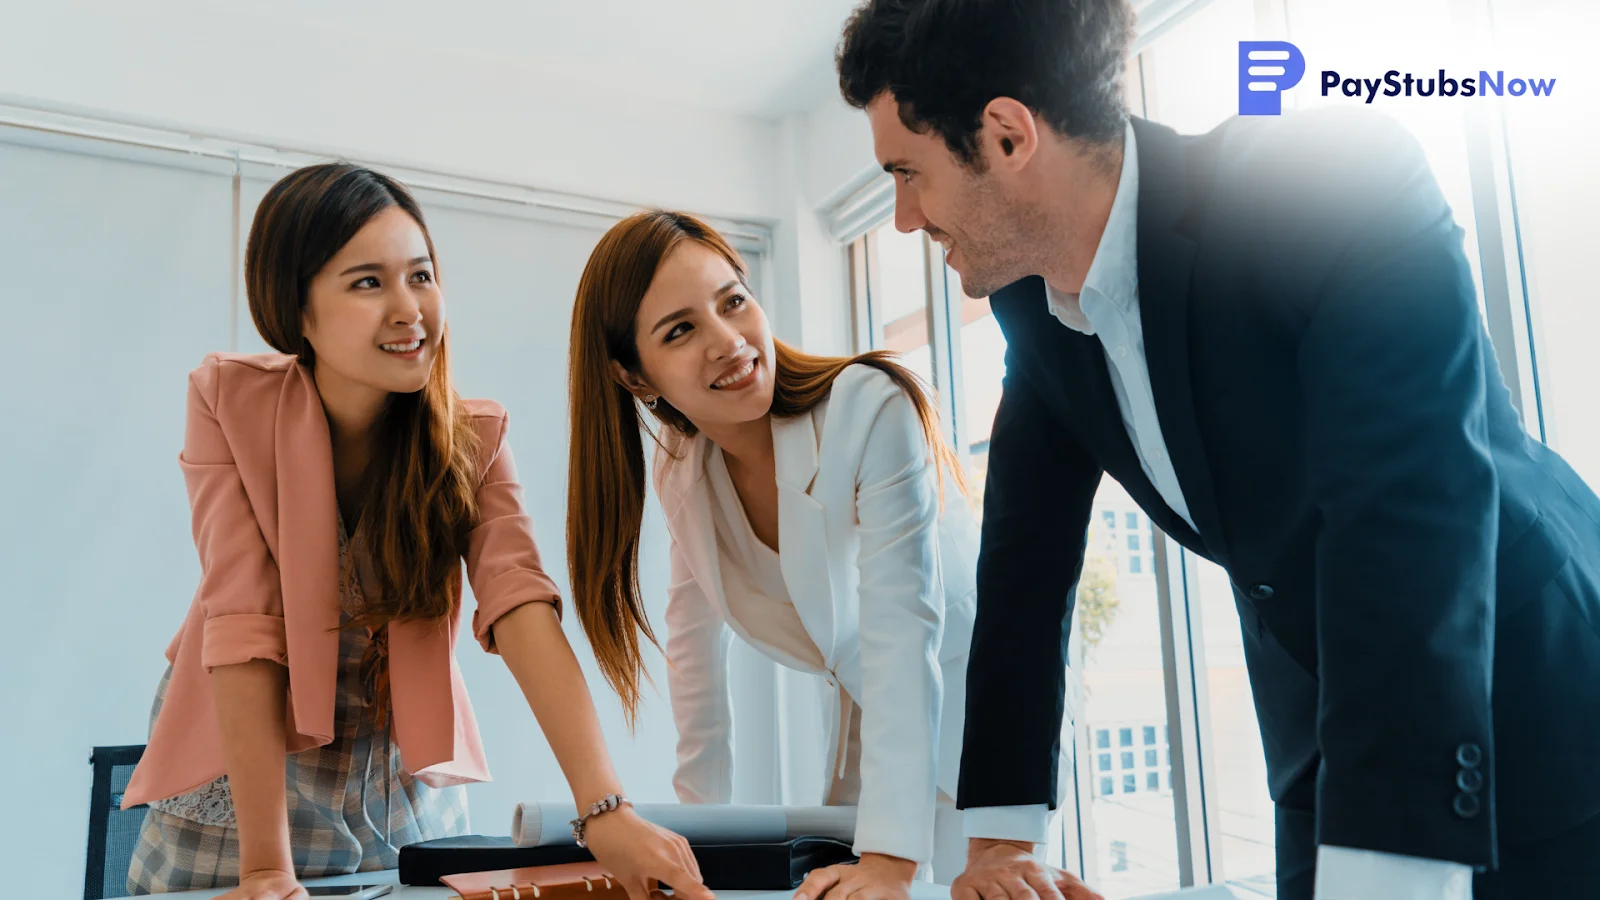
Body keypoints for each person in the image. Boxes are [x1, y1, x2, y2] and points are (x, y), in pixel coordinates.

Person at [834, 1, 1600, 899]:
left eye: (907, 173)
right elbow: (1023, 562)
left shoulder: (1331, 183)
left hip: (1531, 686)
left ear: (1007, 137)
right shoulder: (1031, 305)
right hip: (1320, 727)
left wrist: (1389, 874)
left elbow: (1406, 514)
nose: (902, 218)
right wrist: (1001, 838)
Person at [121, 164, 713, 900]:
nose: (410, 310)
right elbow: (243, 621)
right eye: (368, 283)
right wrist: (267, 869)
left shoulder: (475, 438)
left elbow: (521, 607)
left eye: (422, 276)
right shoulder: (227, 402)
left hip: (397, 802)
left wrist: (606, 810)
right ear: (296, 309)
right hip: (244, 801)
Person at [564, 210, 1043, 894]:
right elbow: (694, 654)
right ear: (634, 377)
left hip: (982, 718)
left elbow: (901, 629)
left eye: (733, 301)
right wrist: (697, 846)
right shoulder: (683, 473)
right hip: (874, 724)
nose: (728, 341)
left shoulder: (869, 407)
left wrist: (889, 862)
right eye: (680, 330)